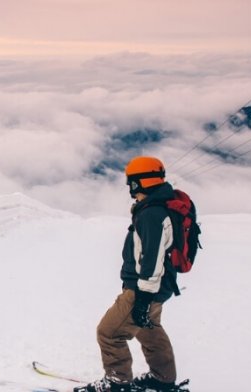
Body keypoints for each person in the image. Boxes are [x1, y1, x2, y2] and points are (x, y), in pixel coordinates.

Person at [75, 156, 182, 392]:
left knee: (109, 332)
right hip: (158, 287)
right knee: (148, 329)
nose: (130, 189)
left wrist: (142, 297)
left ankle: (117, 382)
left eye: (131, 182)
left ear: (141, 182)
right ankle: (162, 379)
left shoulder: (151, 214)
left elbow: (152, 259)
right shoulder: (158, 207)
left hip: (144, 289)